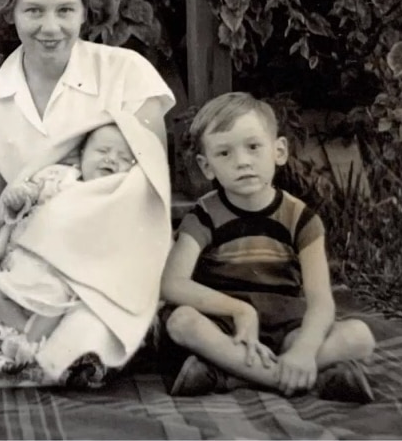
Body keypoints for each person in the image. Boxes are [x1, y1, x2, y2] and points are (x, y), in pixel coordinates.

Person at [0, 0, 176, 266]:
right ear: (11, 12)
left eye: (65, 10)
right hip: (29, 261)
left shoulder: (127, 74)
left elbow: (151, 192)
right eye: (33, 10)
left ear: (84, 11)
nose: (50, 27)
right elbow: (0, 205)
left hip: (116, 255)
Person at [159, 91, 376, 402]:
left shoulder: (301, 219)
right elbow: (172, 284)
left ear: (279, 151)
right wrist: (240, 310)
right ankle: (288, 378)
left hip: (286, 327)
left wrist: (303, 350)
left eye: (253, 147)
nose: (242, 162)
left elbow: (321, 301)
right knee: (182, 322)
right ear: (206, 167)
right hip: (226, 328)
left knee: (360, 337)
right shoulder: (203, 216)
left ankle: (233, 376)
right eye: (224, 154)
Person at [0, 124, 137, 351]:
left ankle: (31, 342)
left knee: (60, 298)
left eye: (124, 158)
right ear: (81, 156)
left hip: (66, 271)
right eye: (102, 151)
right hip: (30, 260)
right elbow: (31, 193)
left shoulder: (115, 199)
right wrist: (18, 200)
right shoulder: (60, 177)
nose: (111, 159)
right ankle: (25, 329)